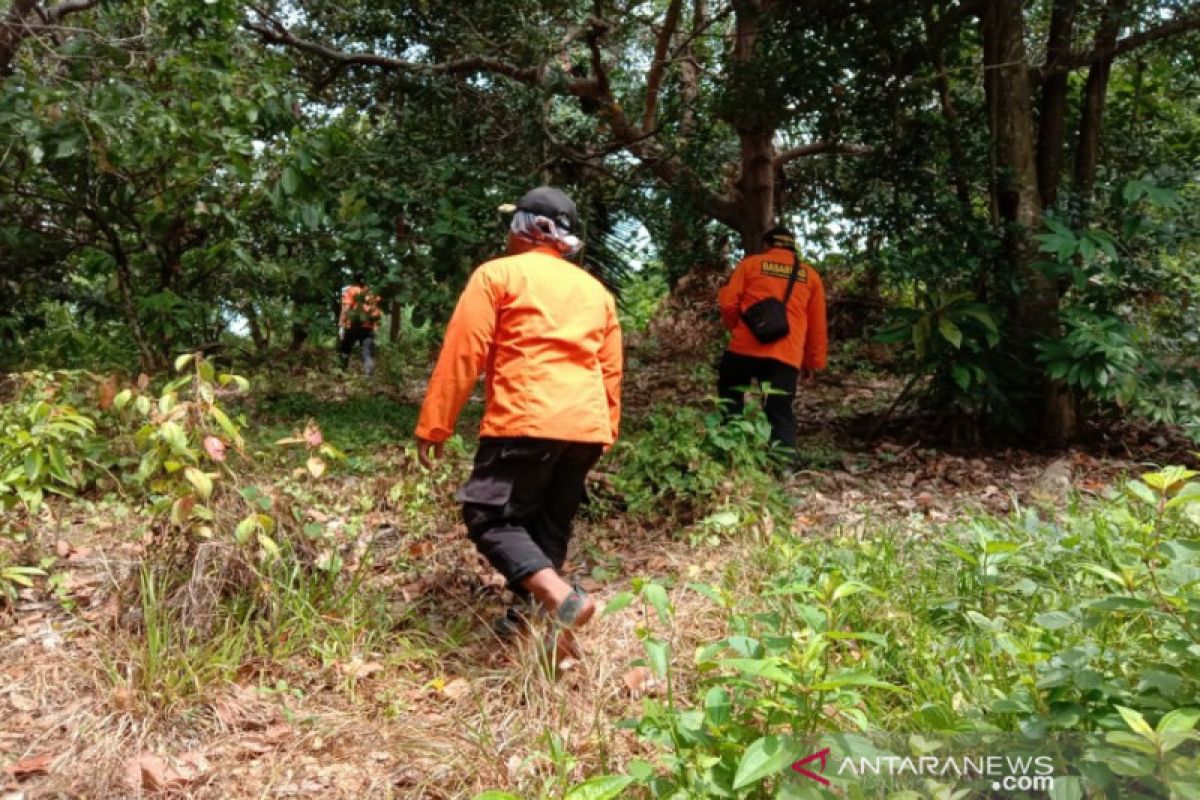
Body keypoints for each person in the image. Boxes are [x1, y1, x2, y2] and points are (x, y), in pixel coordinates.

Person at [414, 187, 623, 662]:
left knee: (488, 516)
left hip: (526, 418)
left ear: (526, 227)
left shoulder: (497, 275)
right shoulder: (595, 291)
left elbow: (464, 352)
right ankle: (540, 642)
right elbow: (610, 369)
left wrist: (435, 424)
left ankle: (564, 598)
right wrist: (605, 428)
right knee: (546, 528)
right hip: (585, 427)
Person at [716, 226, 827, 453]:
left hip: (743, 349)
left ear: (766, 246)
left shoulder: (751, 265)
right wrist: (812, 361)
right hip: (786, 354)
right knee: (780, 407)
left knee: (730, 395)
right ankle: (783, 462)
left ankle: (731, 449)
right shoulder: (811, 276)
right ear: (792, 247)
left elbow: (728, 303)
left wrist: (735, 327)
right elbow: (817, 325)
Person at [339, 274, 382, 376]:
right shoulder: (372, 293)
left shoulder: (351, 290)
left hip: (353, 325)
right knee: (367, 353)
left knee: (345, 349)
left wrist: (341, 325)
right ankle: (369, 377)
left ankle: (341, 372)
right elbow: (376, 310)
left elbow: (346, 308)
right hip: (368, 326)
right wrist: (375, 326)